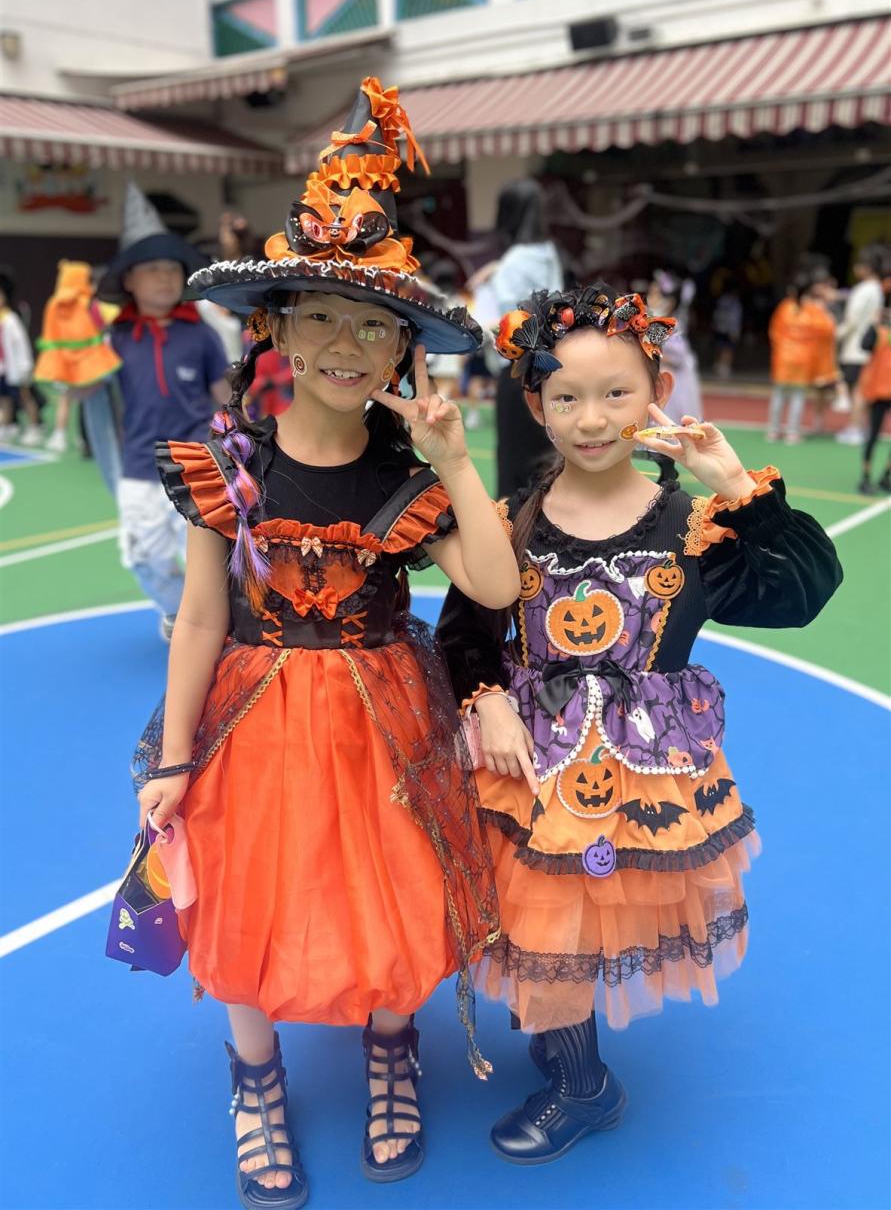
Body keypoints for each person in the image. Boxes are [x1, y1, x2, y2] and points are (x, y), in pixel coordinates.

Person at [130, 78, 518, 1208]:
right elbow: (202, 615)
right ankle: (255, 1077)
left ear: (402, 349)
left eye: (374, 325)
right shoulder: (226, 464)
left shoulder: (407, 478)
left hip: (384, 721)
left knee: (394, 883)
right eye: (321, 318)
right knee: (246, 891)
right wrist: (175, 754)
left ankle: (392, 1047)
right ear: (276, 328)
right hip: (250, 722)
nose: (347, 344)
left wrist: (454, 459)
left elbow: (494, 585)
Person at [436, 283, 842, 1165]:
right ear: (535, 407)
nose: (591, 419)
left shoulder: (693, 528)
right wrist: (487, 696)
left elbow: (803, 593)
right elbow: (463, 630)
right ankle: (567, 1047)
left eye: (615, 392)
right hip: (526, 764)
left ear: (656, 392)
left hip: (642, 773)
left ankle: (585, 1090)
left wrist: (739, 490)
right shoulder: (512, 522)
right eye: (565, 398)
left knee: (572, 921)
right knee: (537, 919)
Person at [85, 184, 229, 639]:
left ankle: (209, 620)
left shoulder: (201, 334)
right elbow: (88, 389)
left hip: (196, 461)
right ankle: (175, 609)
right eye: (152, 269)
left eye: (172, 268)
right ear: (129, 280)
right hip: (138, 465)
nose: (165, 278)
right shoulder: (113, 338)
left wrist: (243, 433)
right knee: (143, 554)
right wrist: (70, 360)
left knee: (210, 552)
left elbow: (223, 393)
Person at [470, 178, 563, 495]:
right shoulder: (548, 253)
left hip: (516, 369)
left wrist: (477, 326)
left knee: (514, 467)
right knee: (545, 461)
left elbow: (510, 323)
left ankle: (513, 524)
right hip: (546, 367)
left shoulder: (514, 263)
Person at [34, 260, 122, 456]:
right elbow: (113, 319)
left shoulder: (53, 304)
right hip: (93, 365)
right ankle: (95, 443)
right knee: (102, 407)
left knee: (68, 401)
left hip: (63, 363)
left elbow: (49, 334)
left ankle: (62, 436)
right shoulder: (89, 302)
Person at [646, 269, 702, 481]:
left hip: (673, 384)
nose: (650, 297)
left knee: (665, 423)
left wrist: (653, 351)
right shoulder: (657, 321)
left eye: (655, 294)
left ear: (668, 301)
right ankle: (665, 467)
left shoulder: (667, 323)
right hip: (664, 378)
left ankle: (667, 470)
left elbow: (678, 355)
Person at [766, 272, 836, 444]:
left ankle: (773, 430)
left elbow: (774, 332)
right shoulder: (812, 309)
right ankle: (792, 432)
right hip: (804, 359)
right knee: (797, 395)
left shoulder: (784, 307)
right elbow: (827, 329)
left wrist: (782, 347)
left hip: (783, 357)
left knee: (779, 393)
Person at [835, 247, 885, 445]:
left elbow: (852, 320)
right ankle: (862, 427)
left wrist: (836, 334)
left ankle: (855, 427)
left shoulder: (864, 289)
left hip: (856, 347)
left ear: (866, 268)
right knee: (862, 388)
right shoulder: (877, 289)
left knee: (857, 389)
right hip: (868, 346)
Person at [0, 266, 44, 446]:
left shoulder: (11, 320)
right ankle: (6, 427)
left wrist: (25, 366)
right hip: (3, 369)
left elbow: (22, 345)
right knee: (5, 400)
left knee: (26, 398)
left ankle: (35, 427)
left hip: (17, 369)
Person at [857, 306, 891, 494]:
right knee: (873, 436)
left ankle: (886, 476)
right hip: (878, 392)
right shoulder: (878, 330)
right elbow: (865, 345)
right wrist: (873, 323)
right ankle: (865, 478)